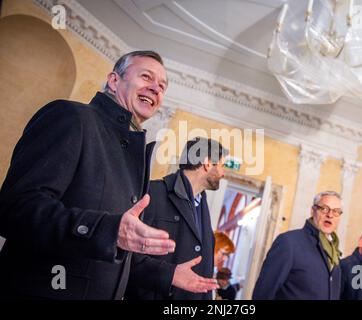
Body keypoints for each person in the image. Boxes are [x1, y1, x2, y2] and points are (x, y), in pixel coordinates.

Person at [0, 50, 176, 300]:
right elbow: (15, 208)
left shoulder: (135, 154)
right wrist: (107, 229)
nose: (156, 89)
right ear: (114, 81)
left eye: (162, 86)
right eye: (146, 77)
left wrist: (170, 275)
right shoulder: (71, 117)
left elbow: (118, 254)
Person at [125, 137, 228, 300]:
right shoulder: (152, 193)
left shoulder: (202, 204)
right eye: (222, 166)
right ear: (207, 163)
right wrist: (169, 274)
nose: (223, 173)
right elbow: (126, 255)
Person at [252, 191, 343, 300]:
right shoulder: (289, 242)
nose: (330, 215)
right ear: (313, 210)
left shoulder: (334, 252)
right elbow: (263, 293)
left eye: (336, 211)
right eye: (324, 208)